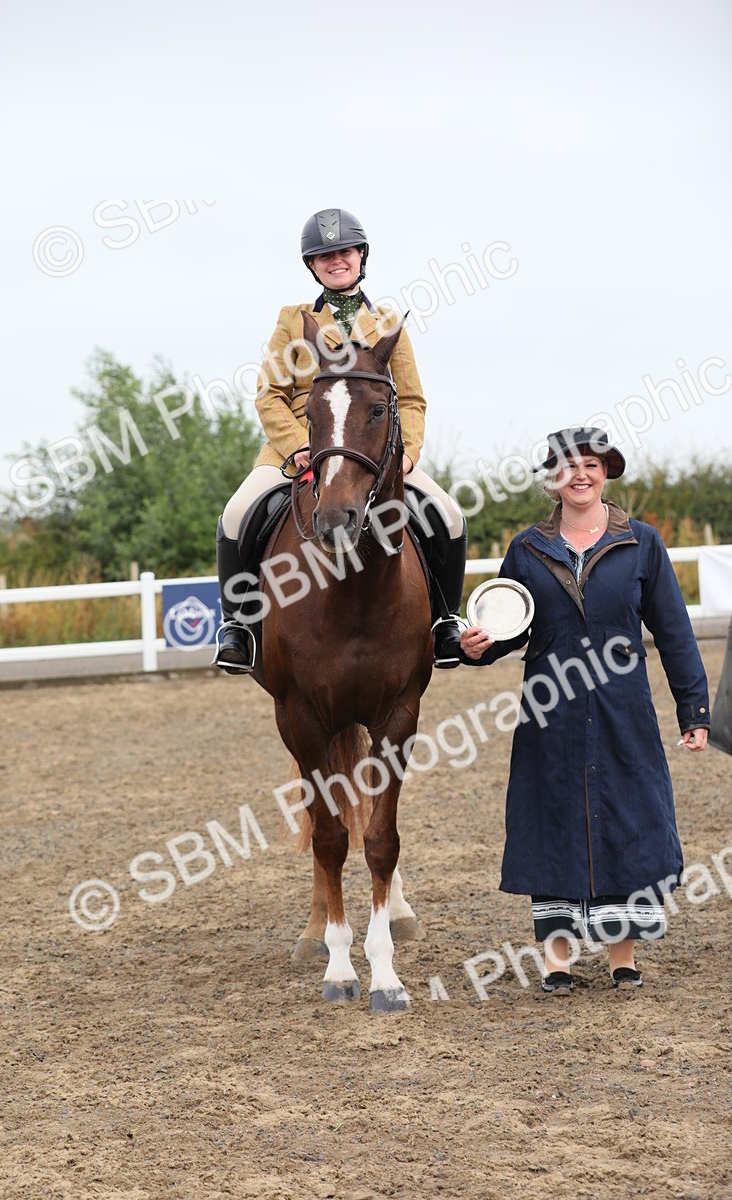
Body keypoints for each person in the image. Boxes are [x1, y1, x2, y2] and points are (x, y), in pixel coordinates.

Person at [460, 426, 710, 992]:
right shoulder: (526, 548)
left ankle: (623, 957)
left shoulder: (641, 542)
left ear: (606, 472)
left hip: (625, 709)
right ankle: (557, 963)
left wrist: (693, 710)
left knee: (628, 817)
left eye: (592, 465)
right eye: (569, 466)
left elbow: (673, 631)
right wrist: (476, 647)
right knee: (551, 821)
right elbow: (506, 626)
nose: (580, 474)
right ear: (553, 478)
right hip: (550, 710)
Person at [214, 207, 467, 673]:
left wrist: (408, 452)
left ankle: (446, 622)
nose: (336, 261)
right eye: (324, 255)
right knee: (235, 515)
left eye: (344, 251)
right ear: (312, 265)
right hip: (300, 447)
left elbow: (410, 398)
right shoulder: (293, 320)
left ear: (360, 256)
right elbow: (270, 393)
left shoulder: (388, 322)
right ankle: (239, 627)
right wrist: (297, 446)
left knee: (449, 516)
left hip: (375, 451)